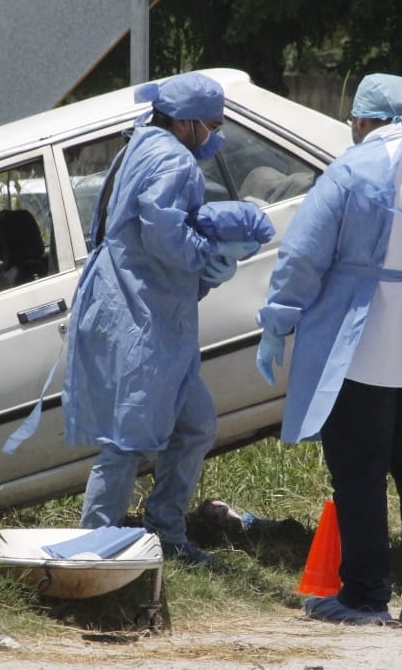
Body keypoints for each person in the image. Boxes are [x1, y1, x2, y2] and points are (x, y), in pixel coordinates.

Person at [256, 73, 402, 625]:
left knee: (360, 473)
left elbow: (302, 255)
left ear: (363, 120)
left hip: (361, 349)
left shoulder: (349, 171)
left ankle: (366, 595)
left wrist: (278, 320)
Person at [62, 72, 264, 568]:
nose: (214, 135)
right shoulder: (173, 159)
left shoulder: (142, 144)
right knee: (126, 440)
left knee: (195, 425)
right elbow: (163, 234)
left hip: (151, 311)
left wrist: (202, 266)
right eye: (211, 125)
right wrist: (208, 254)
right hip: (142, 316)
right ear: (187, 120)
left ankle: (165, 531)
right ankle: (96, 549)